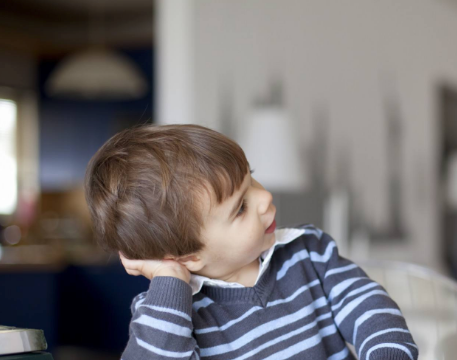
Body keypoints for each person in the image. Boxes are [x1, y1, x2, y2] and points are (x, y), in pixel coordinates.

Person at [84, 124, 418, 360]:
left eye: (251, 177)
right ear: (187, 257)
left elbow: (370, 307)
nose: (264, 197)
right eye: (240, 207)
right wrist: (171, 280)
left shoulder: (308, 253)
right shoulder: (173, 318)